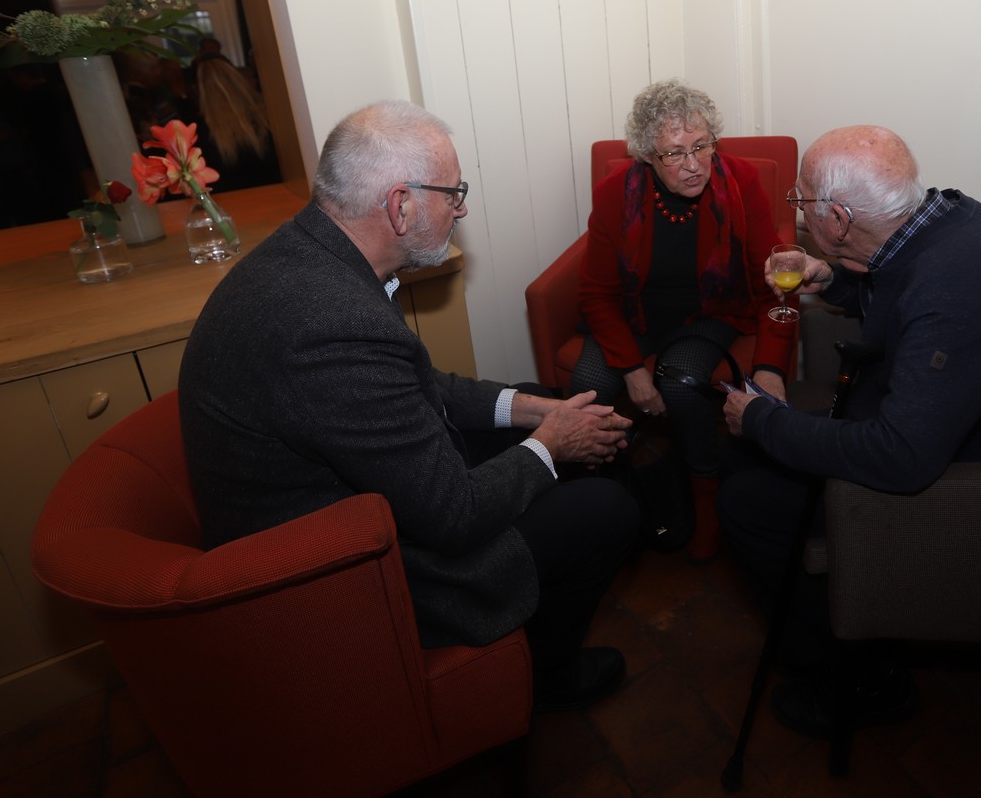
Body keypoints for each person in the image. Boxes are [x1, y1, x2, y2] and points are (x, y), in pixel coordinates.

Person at [179, 101, 640, 712]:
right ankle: (544, 677)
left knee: (549, 403)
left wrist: (534, 410)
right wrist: (553, 441)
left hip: (345, 500)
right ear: (399, 206)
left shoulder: (319, 256)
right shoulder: (331, 323)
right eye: (453, 193)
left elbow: (416, 385)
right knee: (606, 509)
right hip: (339, 570)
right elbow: (453, 516)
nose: (462, 208)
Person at [718, 125, 981, 737]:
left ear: (838, 220)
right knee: (748, 460)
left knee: (746, 500)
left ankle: (853, 674)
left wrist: (763, 419)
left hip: (970, 485)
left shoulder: (958, 284)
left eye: (802, 202)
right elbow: (901, 289)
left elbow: (901, 455)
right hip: (924, 431)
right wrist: (835, 279)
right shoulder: (940, 223)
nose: (797, 213)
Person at [571, 79, 797, 565]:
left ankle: (705, 496)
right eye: (674, 153)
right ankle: (605, 500)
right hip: (634, 313)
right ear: (646, 157)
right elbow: (597, 293)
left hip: (710, 310)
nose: (693, 164)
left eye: (701, 146)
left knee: (680, 382)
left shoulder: (741, 183)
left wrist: (771, 368)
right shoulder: (615, 194)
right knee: (587, 384)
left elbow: (776, 284)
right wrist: (633, 371)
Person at [184, 53, 281, 192]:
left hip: (227, 201)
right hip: (276, 193)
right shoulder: (267, 114)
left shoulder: (195, 129)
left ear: (197, 88)